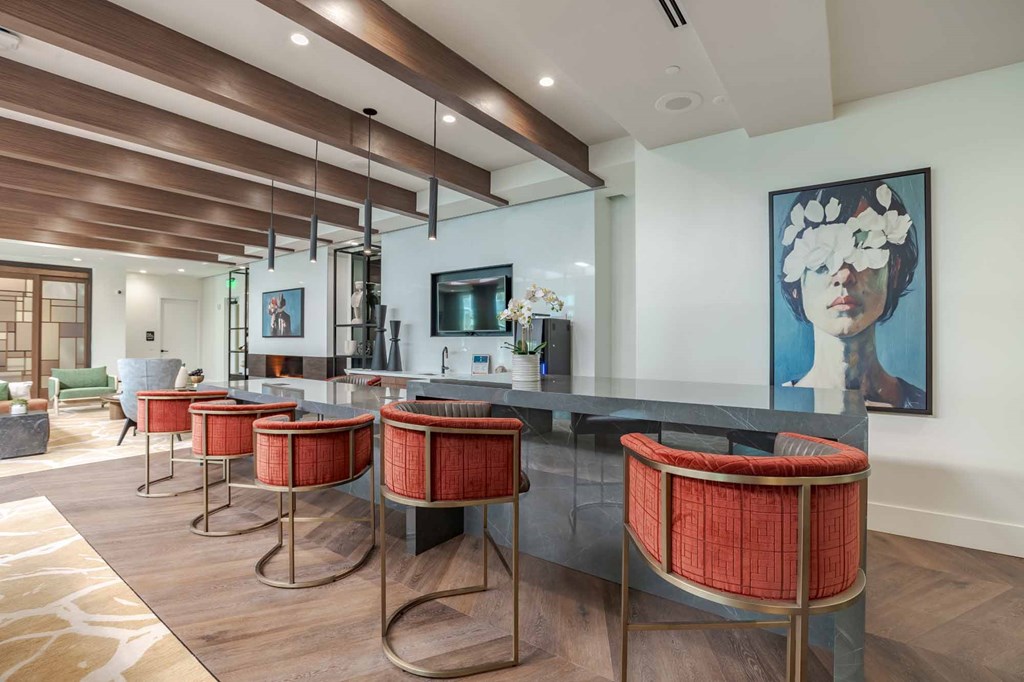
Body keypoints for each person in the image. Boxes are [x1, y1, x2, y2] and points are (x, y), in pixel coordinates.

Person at [778, 180, 924, 409]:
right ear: (796, 281)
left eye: (863, 246)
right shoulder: (778, 408)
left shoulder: (919, 402)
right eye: (823, 255)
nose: (844, 275)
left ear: (893, 270)